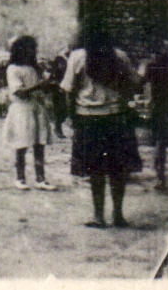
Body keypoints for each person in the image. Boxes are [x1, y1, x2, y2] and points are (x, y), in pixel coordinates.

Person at [61, 27, 142, 228]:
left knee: (95, 170)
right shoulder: (119, 56)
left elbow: (68, 90)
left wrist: (71, 116)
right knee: (118, 169)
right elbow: (134, 84)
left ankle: (98, 216)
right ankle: (118, 214)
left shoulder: (77, 57)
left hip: (88, 119)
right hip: (117, 119)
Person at [3, 35, 57, 190]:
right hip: (22, 109)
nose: (33, 51)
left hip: (36, 108)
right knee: (22, 144)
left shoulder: (33, 68)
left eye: (34, 48)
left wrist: (49, 84)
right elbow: (19, 92)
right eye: (30, 48)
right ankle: (20, 178)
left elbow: (40, 89)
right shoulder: (13, 69)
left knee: (39, 143)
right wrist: (40, 85)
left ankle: (41, 178)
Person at [140, 42, 168, 192]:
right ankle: (166, 175)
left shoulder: (152, 65)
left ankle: (161, 176)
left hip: (158, 107)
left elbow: (141, 82)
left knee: (160, 142)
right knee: (166, 141)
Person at [46, 53, 70, 139]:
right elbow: (50, 80)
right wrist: (56, 84)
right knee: (59, 111)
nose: (62, 65)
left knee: (65, 111)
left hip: (64, 91)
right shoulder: (54, 70)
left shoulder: (66, 68)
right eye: (60, 64)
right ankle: (58, 128)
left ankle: (58, 127)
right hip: (56, 91)